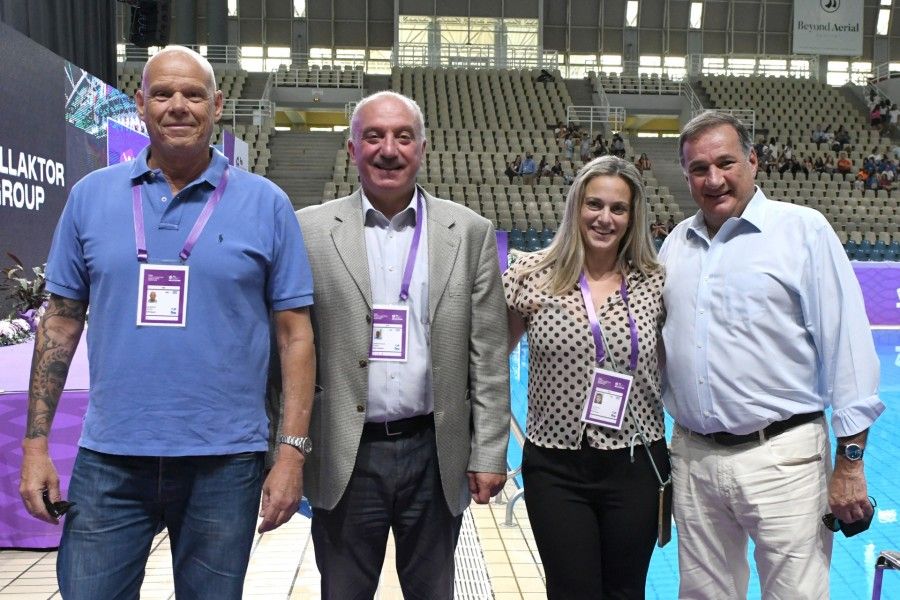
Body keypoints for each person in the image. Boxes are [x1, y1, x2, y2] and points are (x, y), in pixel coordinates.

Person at [18, 46, 316, 599]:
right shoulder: (89, 197)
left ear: (217, 105)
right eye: (162, 94)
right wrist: (36, 447)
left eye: (193, 95)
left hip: (225, 461)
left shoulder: (267, 204)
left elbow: (295, 336)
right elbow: (59, 324)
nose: (178, 106)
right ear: (140, 104)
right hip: (111, 457)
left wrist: (291, 453)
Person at [296, 91, 510, 600]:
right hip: (345, 451)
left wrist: (489, 452)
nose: (388, 150)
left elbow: (488, 355)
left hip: (434, 451)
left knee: (433, 591)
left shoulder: (470, 232)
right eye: (373, 136)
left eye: (403, 137)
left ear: (422, 148)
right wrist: (285, 452)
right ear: (353, 149)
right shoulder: (309, 230)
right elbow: (288, 347)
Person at [661, 111, 884, 599]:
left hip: (784, 458)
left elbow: (848, 350)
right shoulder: (676, 244)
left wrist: (850, 464)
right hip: (695, 459)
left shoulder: (803, 231)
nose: (714, 179)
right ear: (686, 175)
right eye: (699, 169)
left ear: (753, 161)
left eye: (725, 163)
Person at [504, 155, 669, 599]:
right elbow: (489, 360)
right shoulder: (530, 275)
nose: (604, 218)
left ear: (633, 217)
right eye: (594, 204)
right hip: (556, 466)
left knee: (625, 592)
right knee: (570, 590)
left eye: (618, 208)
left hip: (636, 462)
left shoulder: (655, 282)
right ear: (576, 205)